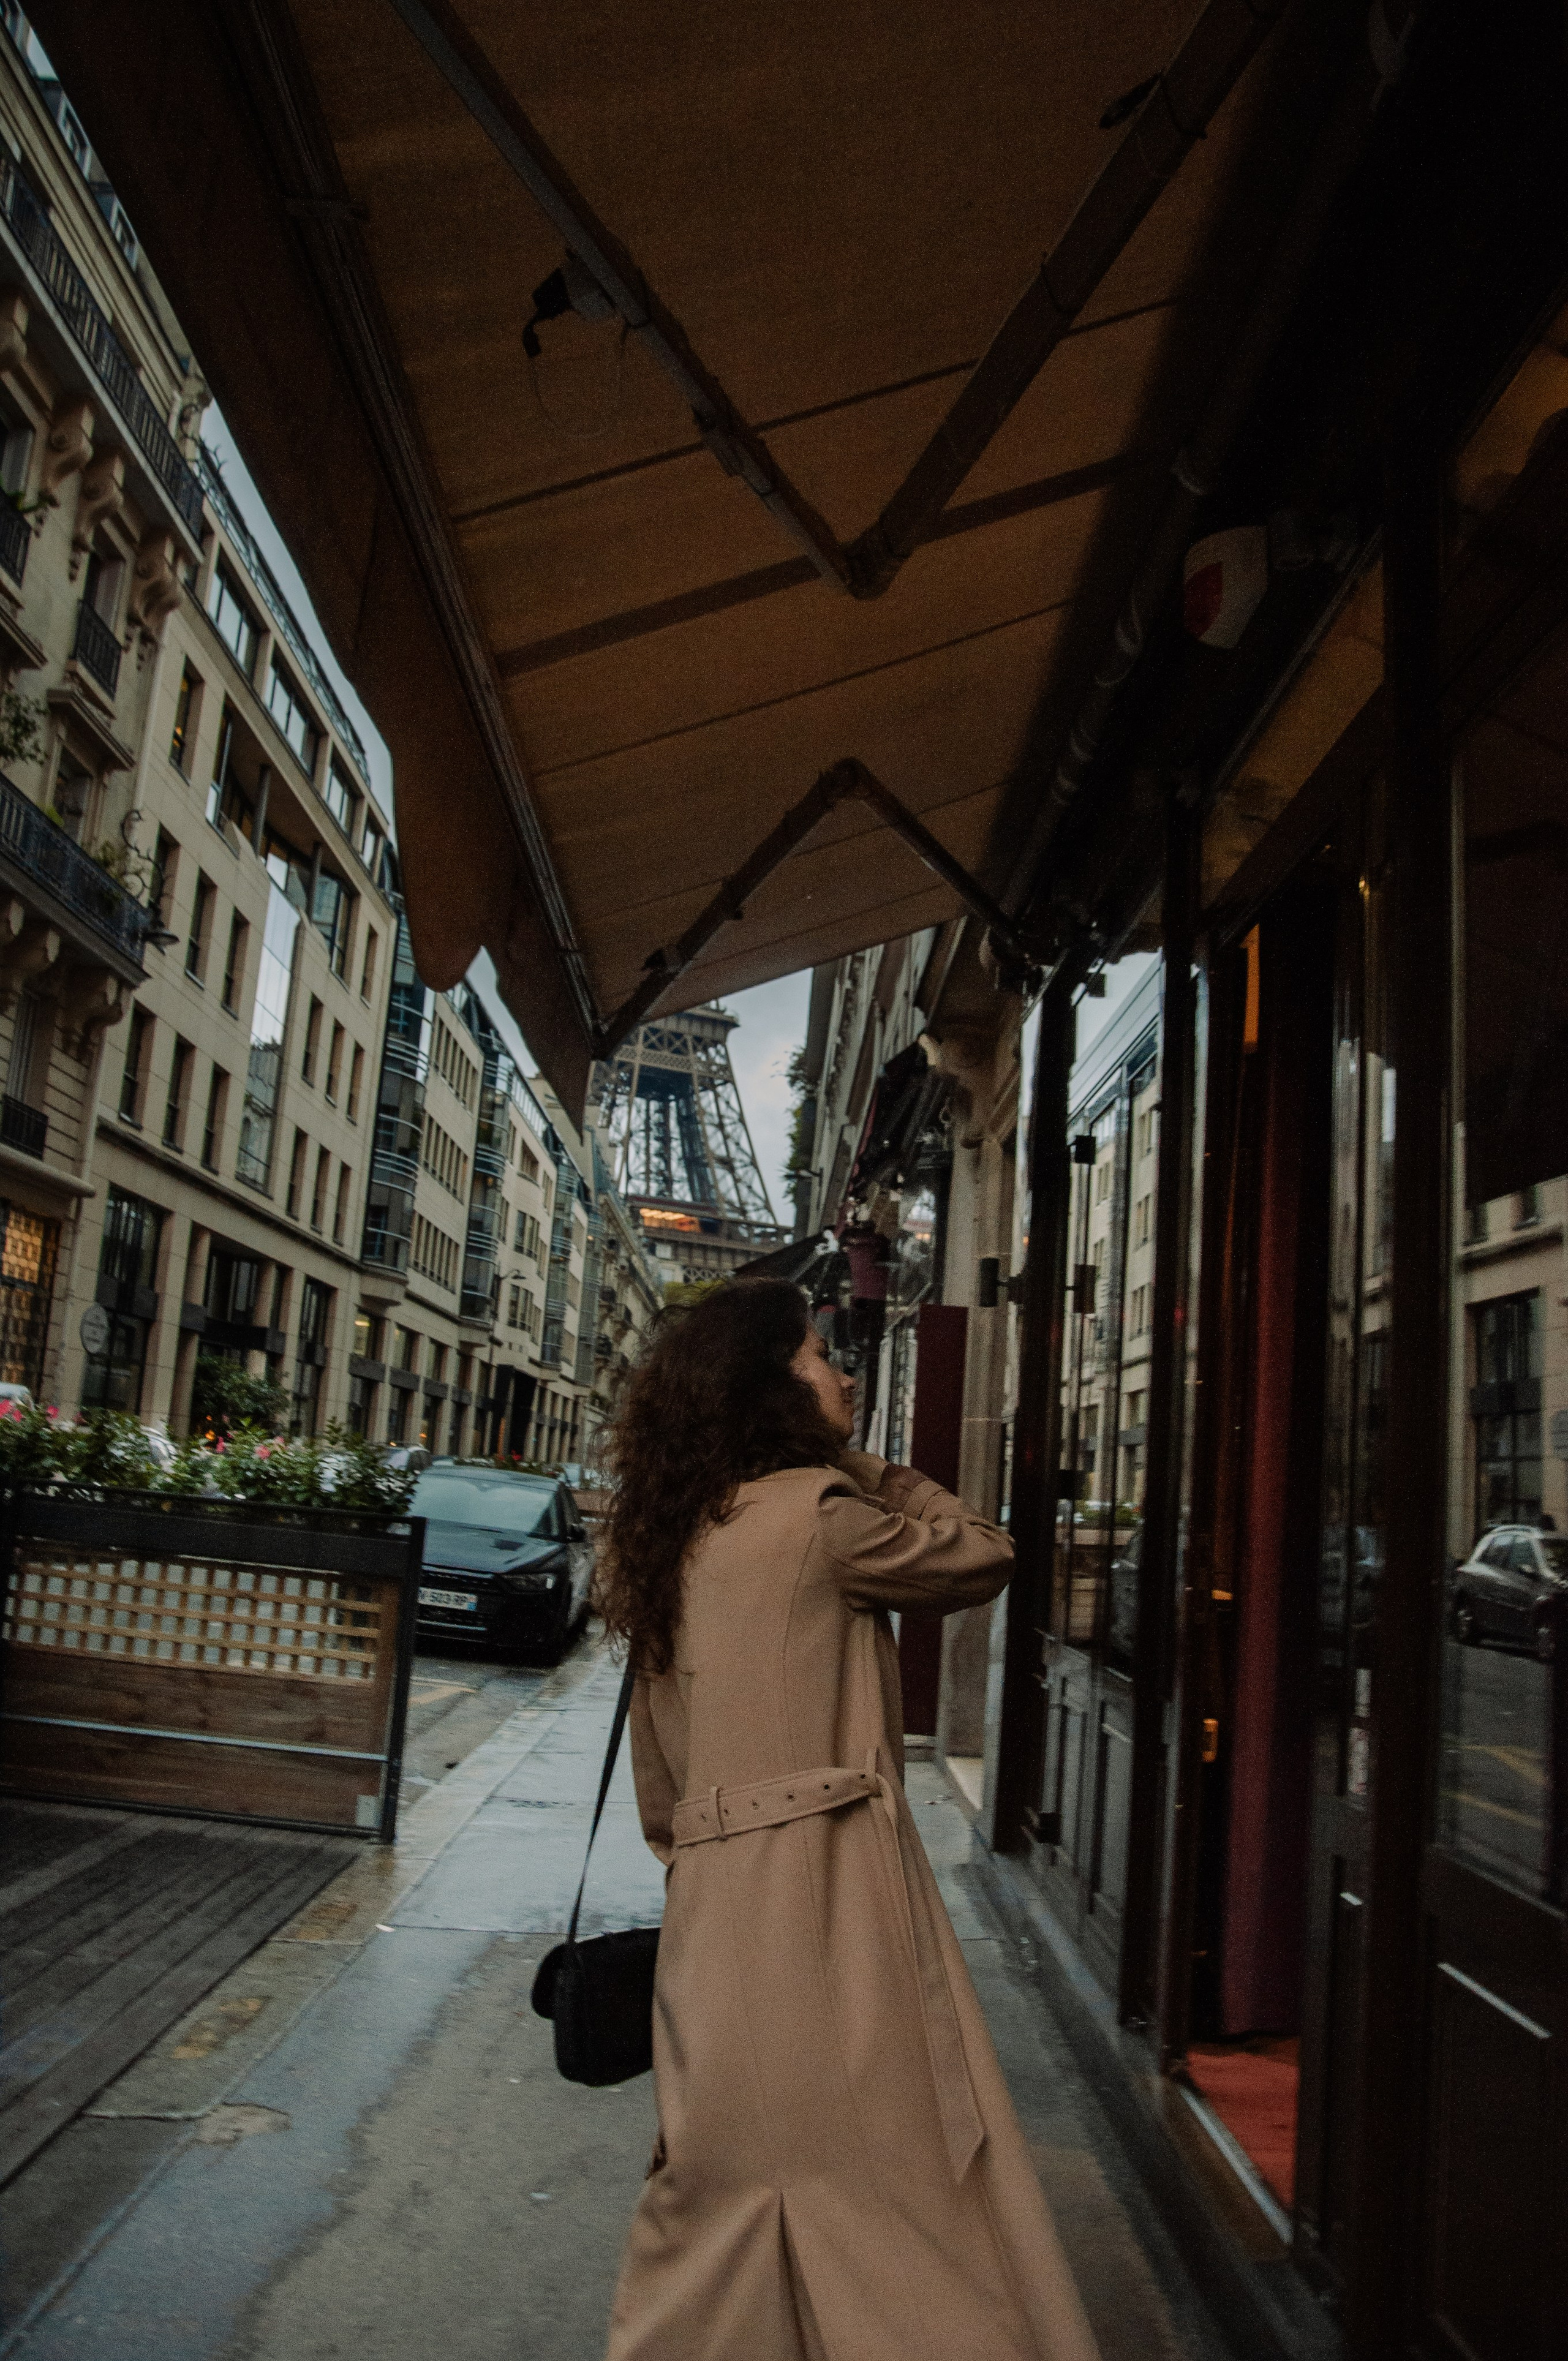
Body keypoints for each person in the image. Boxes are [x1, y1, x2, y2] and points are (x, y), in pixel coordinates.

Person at [597, 1278, 1099, 2361]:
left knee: (725, 2177)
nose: (846, 1372)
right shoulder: (823, 1520)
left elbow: (660, 1782)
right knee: (897, 2164)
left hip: (717, 1910)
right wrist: (864, 1464)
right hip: (830, 1894)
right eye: (822, 1355)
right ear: (773, 1385)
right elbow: (985, 1551)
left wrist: (707, 1880)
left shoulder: (673, 1535)